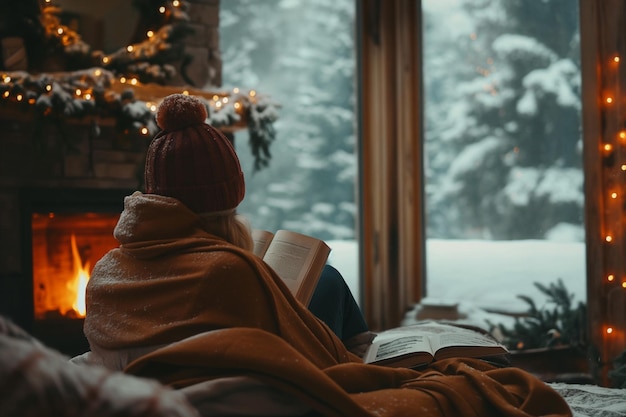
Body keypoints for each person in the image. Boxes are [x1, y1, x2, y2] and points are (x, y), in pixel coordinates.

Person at [81, 93, 572, 417]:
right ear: (224, 203)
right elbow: (311, 362)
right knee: (336, 287)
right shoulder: (227, 269)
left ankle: (364, 339)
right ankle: (370, 344)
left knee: (328, 280)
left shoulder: (107, 268)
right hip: (244, 380)